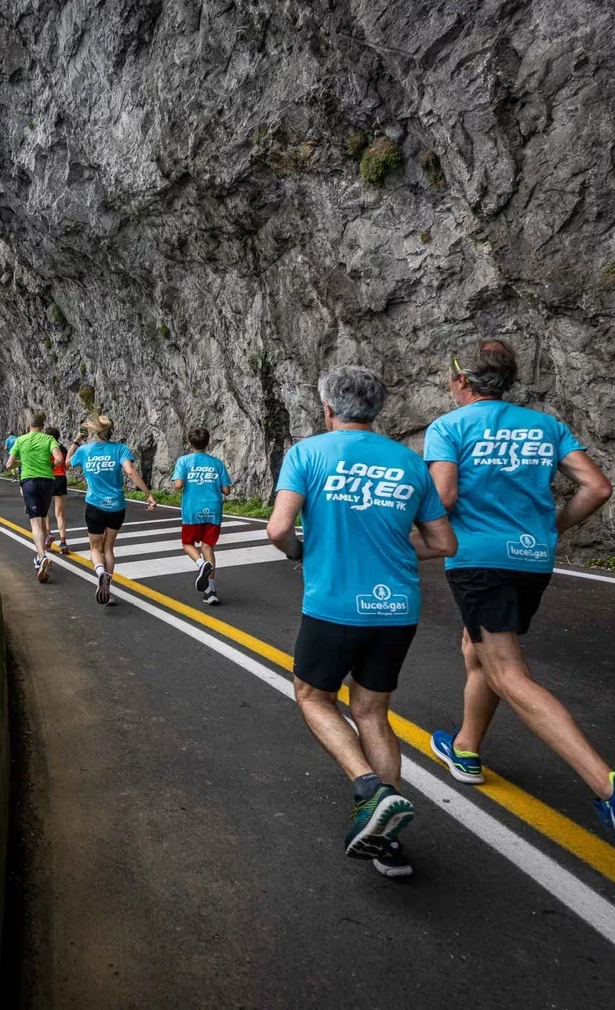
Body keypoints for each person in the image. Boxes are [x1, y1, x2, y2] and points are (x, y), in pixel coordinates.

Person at [424, 339, 615, 871]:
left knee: (508, 673)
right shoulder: (545, 426)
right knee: (478, 647)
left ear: (460, 379)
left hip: (479, 560)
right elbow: (597, 487)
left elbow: (443, 498)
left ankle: (614, 790)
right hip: (531, 560)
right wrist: (552, 528)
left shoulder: (449, 427)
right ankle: (465, 748)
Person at [267, 365, 456, 879]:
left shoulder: (307, 453)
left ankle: (369, 789)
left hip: (334, 605)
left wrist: (299, 551)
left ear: (328, 407)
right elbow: (443, 543)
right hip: (397, 608)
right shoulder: (408, 461)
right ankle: (388, 841)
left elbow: (279, 529)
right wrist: (393, 547)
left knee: (313, 697)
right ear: (377, 409)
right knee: (372, 712)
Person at [68, 415, 155, 606]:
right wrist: (148, 494)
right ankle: (108, 587)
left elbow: (65, 463)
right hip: (116, 506)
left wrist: (77, 440)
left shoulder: (85, 450)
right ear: (111, 431)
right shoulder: (120, 449)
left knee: (95, 547)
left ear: (93, 431)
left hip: (94, 505)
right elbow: (130, 471)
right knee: (108, 547)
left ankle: (100, 572)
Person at [171, 427, 233, 605]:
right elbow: (226, 490)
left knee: (187, 544)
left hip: (193, 509)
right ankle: (210, 592)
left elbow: (178, 485)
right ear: (207, 443)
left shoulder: (184, 461)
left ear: (190, 444)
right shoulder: (217, 463)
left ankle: (200, 564)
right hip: (213, 508)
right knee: (208, 547)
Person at [7, 414, 65, 581]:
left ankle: (41, 556)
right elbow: (59, 459)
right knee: (43, 517)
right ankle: (41, 556)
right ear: (42, 426)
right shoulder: (49, 439)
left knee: (35, 522)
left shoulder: (20, 440)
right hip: (47, 481)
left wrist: (23, 462)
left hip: (29, 482)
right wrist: (50, 464)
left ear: (28, 425)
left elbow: (9, 464)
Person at [43, 426, 72, 554]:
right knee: (60, 513)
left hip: (47, 478)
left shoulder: (45, 447)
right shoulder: (63, 448)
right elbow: (66, 467)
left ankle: (48, 533)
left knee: (44, 510)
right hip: (61, 478)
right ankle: (63, 541)